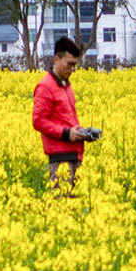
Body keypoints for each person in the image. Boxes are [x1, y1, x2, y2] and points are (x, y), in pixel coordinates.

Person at [32, 35, 94, 190]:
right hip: (60, 160)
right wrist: (66, 133)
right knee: (60, 204)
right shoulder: (45, 86)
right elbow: (38, 121)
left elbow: (65, 120)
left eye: (75, 65)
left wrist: (81, 132)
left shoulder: (66, 86)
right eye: (69, 64)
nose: (72, 69)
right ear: (56, 59)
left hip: (74, 156)